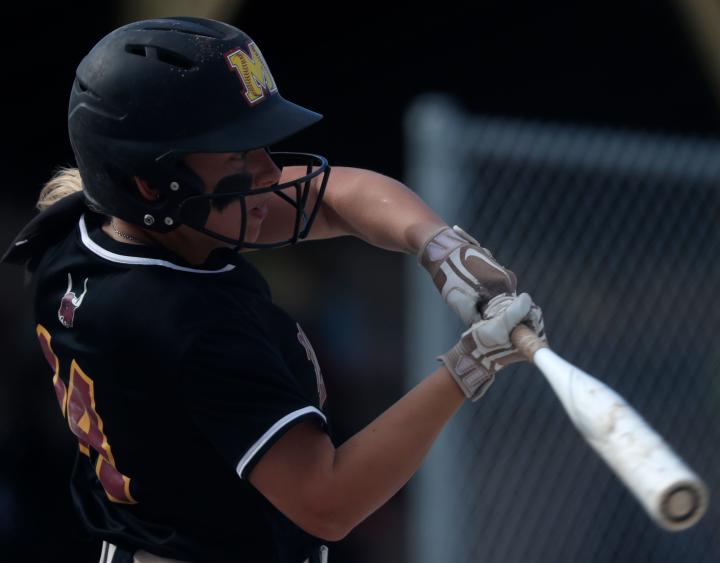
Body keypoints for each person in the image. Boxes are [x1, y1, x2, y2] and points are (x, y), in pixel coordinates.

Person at [1, 16, 544, 563]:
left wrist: (440, 247)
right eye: (237, 153)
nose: (267, 170)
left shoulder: (84, 230)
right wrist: (468, 367)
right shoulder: (185, 320)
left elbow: (333, 198)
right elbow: (328, 501)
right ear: (150, 184)